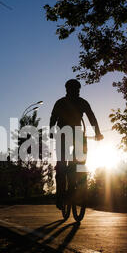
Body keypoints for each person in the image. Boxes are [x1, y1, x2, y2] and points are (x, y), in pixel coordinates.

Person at [49, 79, 103, 210]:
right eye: (74, 89)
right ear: (67, 90)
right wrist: (51, 131)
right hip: (64, 135)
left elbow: (91, 118)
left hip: (76, 135)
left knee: (79, 161)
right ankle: (62, 194)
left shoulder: (79, 102)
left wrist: (97, 132)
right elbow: (53, 118)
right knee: (62, 165)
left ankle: (79, 184)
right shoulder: (62, 102)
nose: (76, 92)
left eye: (77, 89)